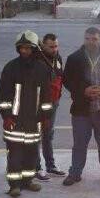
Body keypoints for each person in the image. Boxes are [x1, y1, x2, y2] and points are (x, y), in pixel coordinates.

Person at [63, 27, 100, 186]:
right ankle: (75, 173)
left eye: (94, 39)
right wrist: (83, 90)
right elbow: (67, 80)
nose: (91, 42)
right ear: (84, 39)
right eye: (88, 39)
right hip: (81, 111)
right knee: (79, 144)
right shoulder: (74, 58)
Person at [0, 31, 53, 197]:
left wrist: (45, 117)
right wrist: (6, 116)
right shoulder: (11, 67)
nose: (24, 51)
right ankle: (14, 185)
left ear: (34, 48)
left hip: (34, 120)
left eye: (28, 48)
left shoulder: (42, 69)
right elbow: (3, 95)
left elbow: (46, 96)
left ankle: (28, 181)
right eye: (21, 48)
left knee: (31, 153)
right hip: (14, 121)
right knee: (14, 155)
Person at [35, 33, 66, 180]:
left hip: (53, 103)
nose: (54, 49)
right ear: (43, 45)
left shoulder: (57, 58)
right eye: (51, 46)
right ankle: (36, 167)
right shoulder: (37, 60)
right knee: (37, 135)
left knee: (48, 134)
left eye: (56, 46)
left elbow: (60, 78)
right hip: (39, 104)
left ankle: (51, 165)